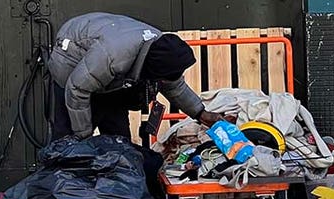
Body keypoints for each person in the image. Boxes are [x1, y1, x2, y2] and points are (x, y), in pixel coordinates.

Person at [47, 12, 227, 140]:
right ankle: (60, 188)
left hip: (108, 74)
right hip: (72, 59)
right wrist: (82, 137)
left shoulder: (160, 50)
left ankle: (117, 189)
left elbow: (175, 87)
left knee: (118, 137)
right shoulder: (113, 56)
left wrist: (201, 113)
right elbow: (77, 89)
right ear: (155, 72)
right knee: (67, 140)